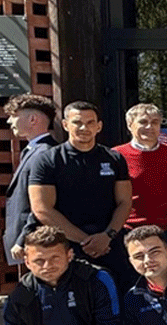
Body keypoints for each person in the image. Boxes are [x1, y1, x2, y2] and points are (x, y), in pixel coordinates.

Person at [28, 101, 133, 291]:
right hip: (68, 246)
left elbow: (125, 202)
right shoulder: (47, 161)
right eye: (77, 122)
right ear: (65, 124)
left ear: (99, 126)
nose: (84, 128)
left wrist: (107, 236)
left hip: (109, 243)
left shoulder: (114, 159)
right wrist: (85, 240)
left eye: (90, 122)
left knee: (119, 298)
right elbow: (41, 208)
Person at [113, 103, 167, 261]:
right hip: (129, 232)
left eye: (155, 122)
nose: (149, 126)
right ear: (130, 125)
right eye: (143, 122)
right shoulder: (116, 156)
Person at [3, 93, 57, 265]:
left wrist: (23, 239)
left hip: (37, 242)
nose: (9, 122)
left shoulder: (45, 153)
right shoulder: (35, 151)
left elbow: (42, 203)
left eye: (14, 116)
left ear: (33, 119)